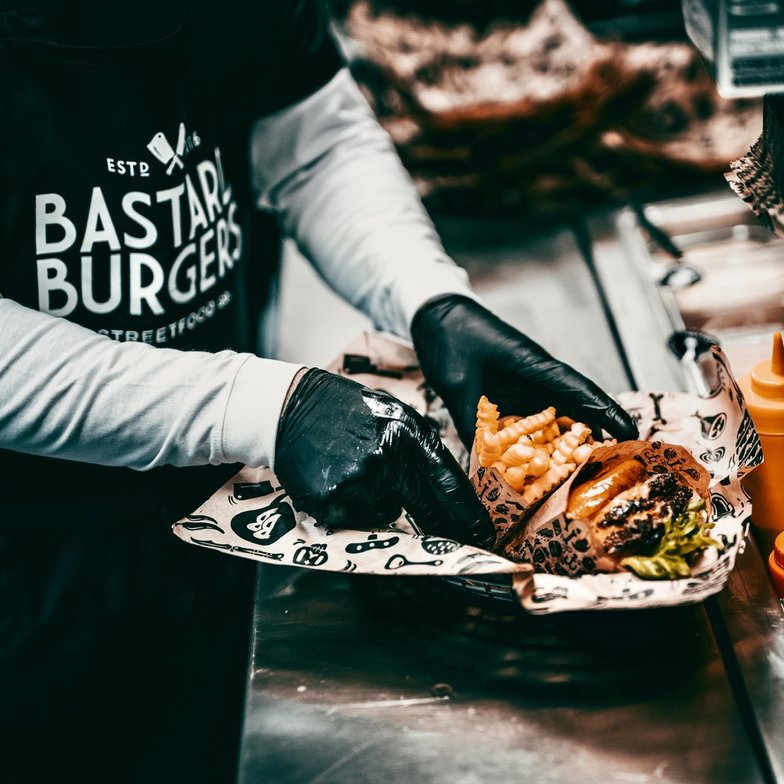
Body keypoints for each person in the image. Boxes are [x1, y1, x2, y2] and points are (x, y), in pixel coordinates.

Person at [0, 1, 637, 781]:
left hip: (207, 523)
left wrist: (429, 300)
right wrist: (264, 404)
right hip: (29, 574)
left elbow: (311, 143)